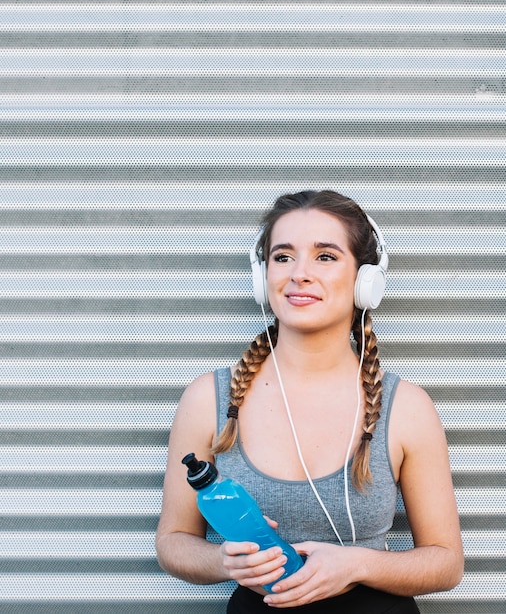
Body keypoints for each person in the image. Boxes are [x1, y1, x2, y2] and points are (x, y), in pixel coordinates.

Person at [155, 190, 464, 612]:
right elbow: (173, 543)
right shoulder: (207, 400)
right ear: (262, 277)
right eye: (283, 257)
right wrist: (224, 562)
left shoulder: (406, 407)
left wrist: (357, 564)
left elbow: (446, 563)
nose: (299, 273)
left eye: (325, 256)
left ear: (364, 280)